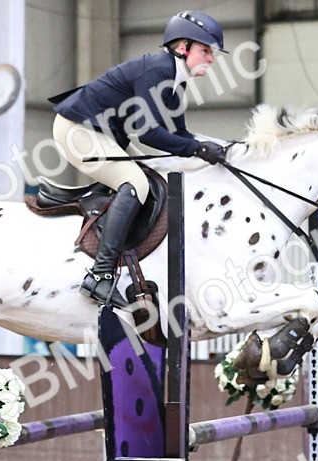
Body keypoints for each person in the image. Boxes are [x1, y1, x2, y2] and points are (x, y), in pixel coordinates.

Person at [51, 11, 229, 308]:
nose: (211, 58)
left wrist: (216, 148)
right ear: (183, 47)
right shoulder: (157, 71)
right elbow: (148, 134)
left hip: (101, 133)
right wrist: (198, 150)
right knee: (135, 183)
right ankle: (100, 275)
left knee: (152, 175)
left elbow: (178, 133)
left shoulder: (175, 78)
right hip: (76, 130)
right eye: (206, 50)